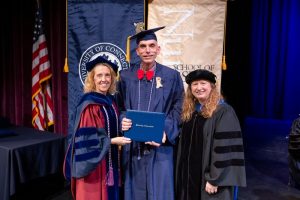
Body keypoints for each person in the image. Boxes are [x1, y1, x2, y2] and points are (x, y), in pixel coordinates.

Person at [118, 26, 184, 200]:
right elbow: (120, 107)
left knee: (160, 191)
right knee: (134, 191)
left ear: (158, 49)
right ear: (137, 50)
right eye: (143, 46)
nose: (147, 50)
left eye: (152, 45)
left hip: (160, 146)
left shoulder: (172, 76)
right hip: (133, 146)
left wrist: (165, 131)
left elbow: (179, 107)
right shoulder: (125, 76)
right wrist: (123, 120)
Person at [63, 55, 131, 200]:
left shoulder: (111, 101)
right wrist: (112, 142)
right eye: (99, 75)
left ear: (112, 78)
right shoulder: (90, 104)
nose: (103, 79)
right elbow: (88, 140)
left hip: (109, 160)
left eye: (107, 75)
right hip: (94, 166)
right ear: (92, 79)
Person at [175, 69, 246, 200]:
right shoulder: (189, 112)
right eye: (194, 84)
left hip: (209, 180)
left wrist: (215, 179)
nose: (199, 88)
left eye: (203, 83)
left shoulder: (223, 111)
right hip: (188, 178)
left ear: (212, 87)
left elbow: (226, 147)